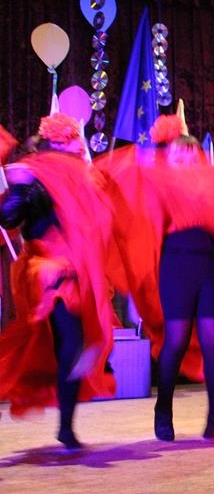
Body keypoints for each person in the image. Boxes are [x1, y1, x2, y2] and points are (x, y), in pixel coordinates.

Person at [99, 113, 214, 441]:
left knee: (213, 343)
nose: (186, 160)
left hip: (210, 268)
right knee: (176, 340)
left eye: (191, 155)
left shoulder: (213, 187)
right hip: (176, 267)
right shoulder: (160, 186)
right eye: (178, 155)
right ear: (168, 160)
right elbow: (130, 183)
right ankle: (163, 412)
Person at [0, 115, 117, 449]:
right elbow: (8, 217)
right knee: (70, 346)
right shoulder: (35, 175)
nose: (80, 144)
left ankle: (66, 426)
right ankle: (65, 426)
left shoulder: (82, 177)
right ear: (57, 143)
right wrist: (18, 189)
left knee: (78, 346)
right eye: (73, 138)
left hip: (77, 271)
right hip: (48, 271)